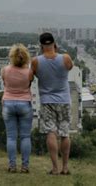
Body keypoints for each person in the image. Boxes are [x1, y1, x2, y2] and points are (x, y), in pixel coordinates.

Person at [31, 32, 73, 175]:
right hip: (64, 100)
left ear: (41, 45)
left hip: (47, 100)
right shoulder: (65, 58)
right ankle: (65, 167)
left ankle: (55, 168)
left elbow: (34, 75)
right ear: (54, 43)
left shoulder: (36, 61)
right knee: (65, 133)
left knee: (51, 132)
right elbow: (70, 67)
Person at [1, 43, 34, 173]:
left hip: (8, 103)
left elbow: (4, 83)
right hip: (25, 103)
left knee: (11, 137)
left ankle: (12, 165)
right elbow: (29, 84)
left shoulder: (5, 70)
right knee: (25, 137)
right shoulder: (29, 72)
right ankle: (25, 166)